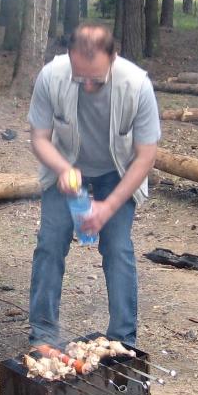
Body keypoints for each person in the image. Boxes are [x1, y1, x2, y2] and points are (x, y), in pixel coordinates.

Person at [27, 24, 160, 346]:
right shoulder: (52, 76)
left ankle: (123, 340)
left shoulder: (137, 85)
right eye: (80, 78)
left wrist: (108, 207)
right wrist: (63, 169)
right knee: (50, 244)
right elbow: (39, 137)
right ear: (70, 56)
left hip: (117, 173)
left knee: (117, 248)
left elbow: (145, 157)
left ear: (113, 58)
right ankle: (43, 335)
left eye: (96, 80)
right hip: (67, 168)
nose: (87, 86)